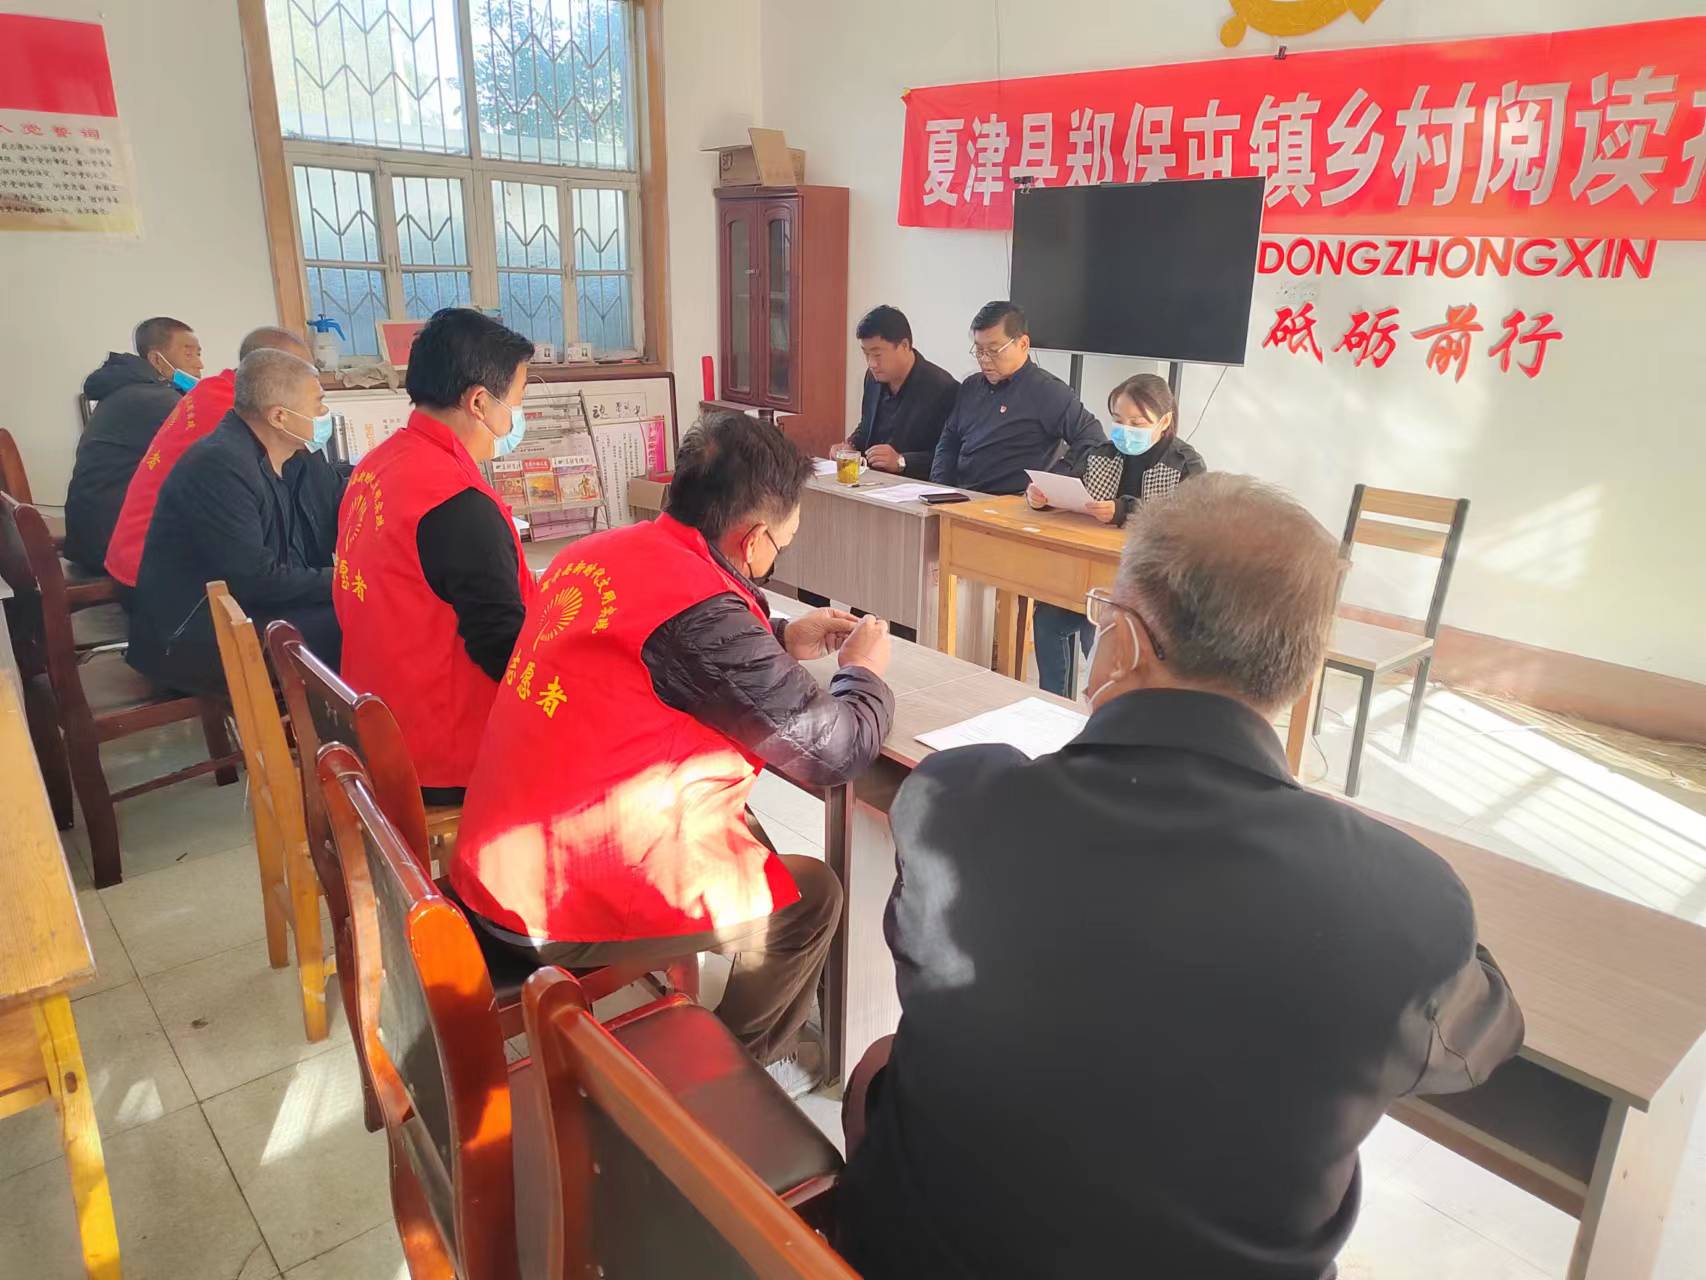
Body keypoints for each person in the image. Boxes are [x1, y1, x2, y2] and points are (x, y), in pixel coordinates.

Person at [836, 474, 1524, 1280]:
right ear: (1300, 672)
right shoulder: (1404, 903)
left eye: (1102, 616)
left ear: (1125, 642)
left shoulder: (956, 801)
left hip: (917, 1257)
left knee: (882, 1064)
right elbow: (1480, 1043)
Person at [451, 412, 895, 1094]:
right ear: (752, 540)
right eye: (781, 544)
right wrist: (862, 674)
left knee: (745, 829)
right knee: (811, 898)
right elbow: (834, 751)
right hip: (549, 904)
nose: (775, 557)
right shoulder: (698, 609)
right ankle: (729, 1082)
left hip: (498, 859)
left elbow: (672, 645)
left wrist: (778, 634)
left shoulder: (595, 552)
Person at [336, 308, 538, 805]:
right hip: (440, 754)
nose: (516, 417)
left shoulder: (376, 466)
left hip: (375, 721)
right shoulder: (456, 501)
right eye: (516, 401)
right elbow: (503, 648)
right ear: (479, 402)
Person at [128, 349, 344, 697]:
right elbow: (256, 579)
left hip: (259, 610)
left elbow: (342, 504)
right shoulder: (220, 465)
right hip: (197, 636)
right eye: (318, 403)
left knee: (370, 611)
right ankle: (345, 727)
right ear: (279, 416)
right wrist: (346, 581)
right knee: (363, 624)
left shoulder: (298, 455)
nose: (325, 413)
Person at [1026, 372, 1207, 696]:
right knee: (1048, 619)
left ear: (1165, 421)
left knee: (1100, 624)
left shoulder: (1186, 464)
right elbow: (1070, 490)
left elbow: (1187, 521)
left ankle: (1109, 703)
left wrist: (1123, 510)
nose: (1125, 431)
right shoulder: (1101, 453)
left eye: (1137, 424)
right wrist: (1042, 498)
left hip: (1148, 585)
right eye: (1118, 420)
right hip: (1088, 572)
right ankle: (1053, 702)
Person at [105, 327, 317, 594]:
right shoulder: (237, 412)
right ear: (266, 368)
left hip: (138, 552)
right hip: (155, 571)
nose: (312, 382)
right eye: (301, 371)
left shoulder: (217, 389)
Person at [64, 317, 204, 572]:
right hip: (112, 544)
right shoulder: (156, 400)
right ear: (157, 359)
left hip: (93, 534)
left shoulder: (129, 390)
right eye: (188, 354)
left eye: (199, 354)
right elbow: (215, 455)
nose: (199, 364)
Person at [930, 300, 1104, 495]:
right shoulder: (971, 386)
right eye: (979, 350)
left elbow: (1093, 440)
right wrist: (940, 489)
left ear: (1023, 344)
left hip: (1012, 502)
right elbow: (949, 441)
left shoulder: (1047, 391)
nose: (984, 359)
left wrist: (1053, 480)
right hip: (962, 498)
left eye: (993, 350)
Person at [847, 305, 957, 476]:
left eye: (877, 354)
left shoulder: (942, 388)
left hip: (913, 484)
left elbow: (949, 455)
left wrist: (901, 461)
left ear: (904, 346)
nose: (871, 363)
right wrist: (850, 446)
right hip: (871, 479)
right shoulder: (872, 378)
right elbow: (866, 427)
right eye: (866, 354)